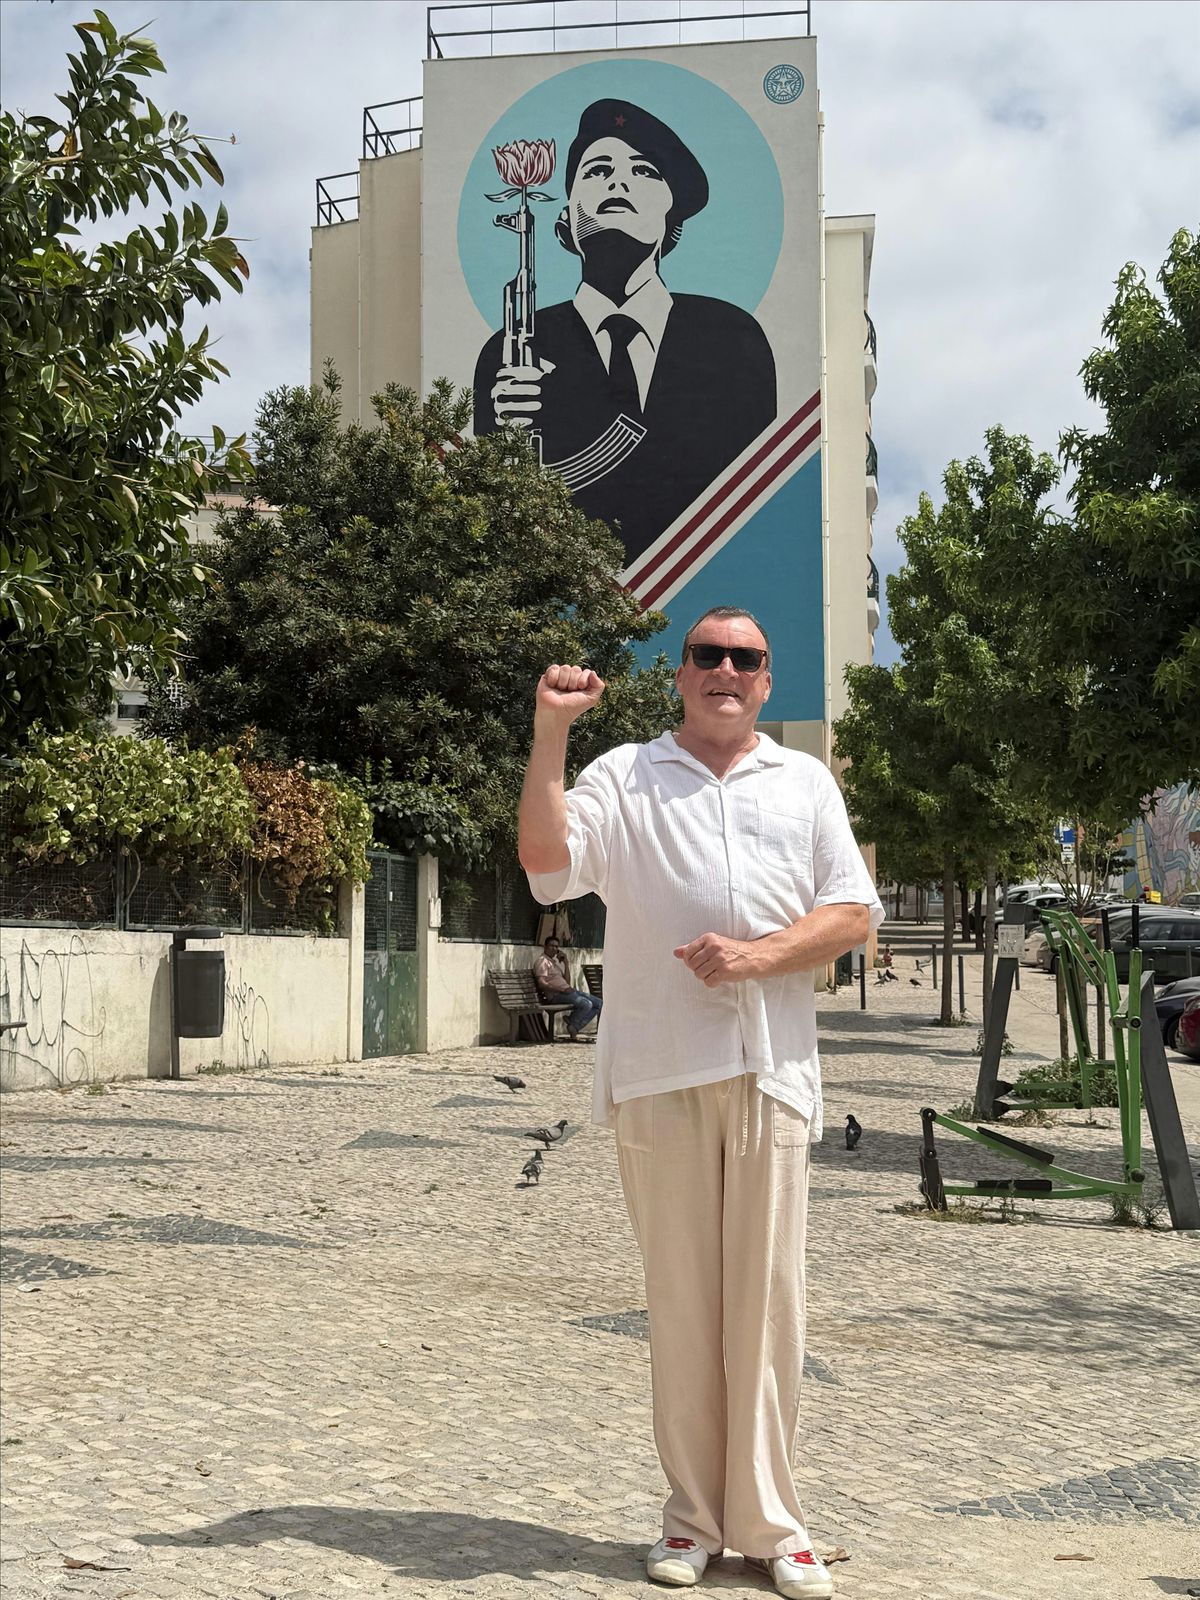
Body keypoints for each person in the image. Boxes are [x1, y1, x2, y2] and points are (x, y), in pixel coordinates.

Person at [518, 607, 883, 1598]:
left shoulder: (803, 782)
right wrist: (551, 733)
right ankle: (690, 1519)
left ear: (766, 681)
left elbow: (852, 912)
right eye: (708, 655)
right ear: (680, 675)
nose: (726, 668)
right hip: (658, 1071)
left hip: (772, 1072)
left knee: (767, 1306)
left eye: (745, 658)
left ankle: (772, 1527)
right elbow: (547, 866)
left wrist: (758, 958)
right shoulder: (626, 775)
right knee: (682, 1306)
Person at [474, 98, 777, 567]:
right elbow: (488, 524)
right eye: (597, 171)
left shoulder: (733, 339)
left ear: (671, 216)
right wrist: (507, 438)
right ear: (566, 216)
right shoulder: (510, 352)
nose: (618, 182)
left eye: (644, 171)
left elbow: (759, 498)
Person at [534, 934, 602, 1041]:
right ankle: (573, 1025)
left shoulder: (553, 963)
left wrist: (566, 963)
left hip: (567, 992)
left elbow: (567, 982)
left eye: (556, 946)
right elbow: (542, 983)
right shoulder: (542, 961)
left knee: (599, 1003)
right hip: (556, 995)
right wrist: (562, 989)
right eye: (551, 946)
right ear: (545, 947)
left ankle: (573, 1024)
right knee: (587, 1004)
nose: (554, 949)